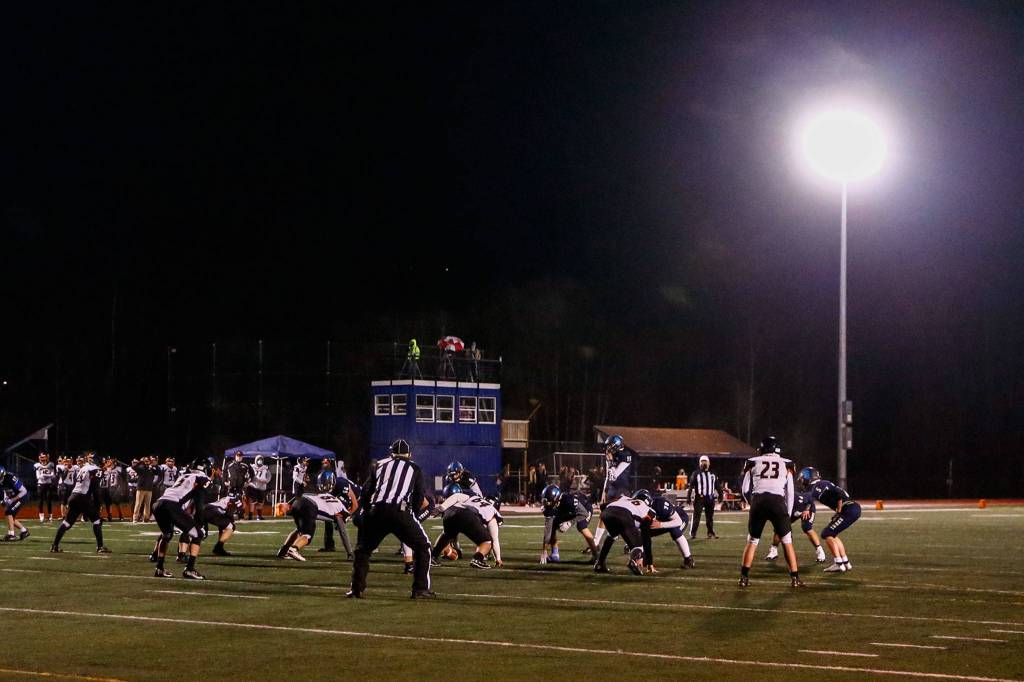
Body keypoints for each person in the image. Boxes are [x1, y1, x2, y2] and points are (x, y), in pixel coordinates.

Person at [347, 439, 433, 599]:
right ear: (409, 454)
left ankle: (356, 589)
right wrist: (412, 515)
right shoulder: (414, 468)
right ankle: (420, 589)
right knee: (423, 547)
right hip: (399, 511)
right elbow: (419, 496)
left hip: (377, 510)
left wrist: (366, 512)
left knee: (362, 551)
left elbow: (365, 492)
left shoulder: (379, 465)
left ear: (391, 454)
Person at [738, 436, 803, 588]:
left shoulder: (752, 462)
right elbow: (790, 493)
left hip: (758, 501)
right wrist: (786, 512)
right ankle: (794, 579)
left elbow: (745, 489)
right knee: (787, 542)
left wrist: (752, 503)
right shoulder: (787, 464)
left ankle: (743, 578)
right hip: (777, 502)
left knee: (752, 541)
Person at [278, 470, 357, 562]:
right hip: (310, 506)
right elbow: (343, 531)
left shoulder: (327, 496)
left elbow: (306, 495)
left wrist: (288, 504)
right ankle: (294, 549)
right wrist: (350, 553)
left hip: (299, 501)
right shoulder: (342, 509)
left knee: (300, 529)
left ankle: (282, 551)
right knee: (307, 535)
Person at [150, 458, 211, 579]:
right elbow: (199, 504)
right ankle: (189, 569)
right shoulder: (201, 478)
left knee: (166, 534)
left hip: (159, 504)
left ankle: (159, 568)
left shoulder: (184, 475)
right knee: (197, 534)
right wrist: (200, 523)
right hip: (172, 505)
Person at [799, 467, 861, 572]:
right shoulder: (823, 483)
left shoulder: (818, 485)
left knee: (826, 533)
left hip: (849, 509)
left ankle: (838, 563)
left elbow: (838, 496)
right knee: (832, 534)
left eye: (803, 477)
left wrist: (806, 510)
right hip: (851, 508)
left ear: (808, 477)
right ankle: (846, 563)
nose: (801, 480)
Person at [430, 491, 503, 569]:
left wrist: (441, 508)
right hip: (467, 515)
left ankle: (432, 557)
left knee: (447, 534)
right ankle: (477, 559)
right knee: (487, 541)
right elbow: (494, 539)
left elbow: (457, 496)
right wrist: (498, 558)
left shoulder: (475, 497)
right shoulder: (493, 512)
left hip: (450, 511)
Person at [51, 460, 110, 553]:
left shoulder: (83, 468)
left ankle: (54, 546)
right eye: (105, 463)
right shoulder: (97, 470)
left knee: (67, 523)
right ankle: (100, 546)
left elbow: (76, 481)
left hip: (73, 496)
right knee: (97, 520)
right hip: (83, 497)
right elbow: (95, 489)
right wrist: (98, 507)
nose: (107, 465)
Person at [593, 493, 658, 575]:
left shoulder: (624, 498)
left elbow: (603, 506)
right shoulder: (650, 511)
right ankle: (634, 561)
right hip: (624, 515)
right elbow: (645, 531)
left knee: (612, 534)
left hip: (606, 513)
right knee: (640, 543)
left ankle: (600, 563)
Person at [592, 434, 635, 550]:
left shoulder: (626, 455)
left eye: (610, 446)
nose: (608, 448)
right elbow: (608, 477)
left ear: (617, 444)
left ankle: (631, 542)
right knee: (604, 515)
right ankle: (595, 543)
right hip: (612, 488)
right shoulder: (612, 455)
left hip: (622, 489)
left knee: (624, 518)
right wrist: (604, 491)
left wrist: (610, 461)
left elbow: (614, 475)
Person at [538, 483, 598, 564]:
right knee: (553, 525)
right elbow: (548, 530)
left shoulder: (569, 500)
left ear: (556, 499)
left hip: (584, 508)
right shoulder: (550, 507)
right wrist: (544, 551)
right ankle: (555, 555)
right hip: (568, 511)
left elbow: (584, 514)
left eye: (548, 501)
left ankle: (596, 556)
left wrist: (570, 522)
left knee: (581, 526)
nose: (546, 504)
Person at [764, 489, 827, 564]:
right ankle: (774, 551)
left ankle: (820, 551)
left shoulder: (795, 497)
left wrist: (807, 509)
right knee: (779, 528)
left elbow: (810, 498)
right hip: (791, 512)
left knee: (807, 528)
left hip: (806, 509)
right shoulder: (776, 502)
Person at [644, 494, 695, 571]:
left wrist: (661, 525)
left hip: (680, 518)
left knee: (674, 531)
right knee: (645, 532)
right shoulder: (640, 508)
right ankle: (643, 557)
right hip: (663, 520)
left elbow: (678, 521)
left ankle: (688, 559)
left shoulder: (660, 504)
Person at [319, 464, 360, 558]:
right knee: (329, 519)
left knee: (358, 520)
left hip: (359, 498)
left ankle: (362, 547)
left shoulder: (341, 484)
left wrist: (347, 516)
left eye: (326, 484)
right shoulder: (330, 486)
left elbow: (355, 504)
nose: (325, 487)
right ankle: (329, 545)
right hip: (342, 498)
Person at [688, 455, 718, 539]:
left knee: (710, 517)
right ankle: (693, 533)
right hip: (699, 498)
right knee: (696, 516)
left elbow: (717, 485)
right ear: (699, 463)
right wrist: (688, 497)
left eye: (705, 461)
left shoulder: (712, 474)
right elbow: (691, 486)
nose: (704, 463)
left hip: (710, 498)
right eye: (702, 461)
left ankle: (710, 532)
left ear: (709, 463)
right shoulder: (696, 473)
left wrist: (721, 495)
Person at [1, 465, 30, 541]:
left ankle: (11, 534)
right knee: (9, 516)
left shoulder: (10, 478)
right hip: (13, 496)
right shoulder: (2, 479)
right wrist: (3, 500)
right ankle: (24, 531)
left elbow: (24, 491)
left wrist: (13, 499)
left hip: (21, 496)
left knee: (9, 512)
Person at [132, 456, 159, 522]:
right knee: (138, 504)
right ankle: (135, 518)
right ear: (143, 462)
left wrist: (155, 465)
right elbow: (134, 467)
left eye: (148, 461)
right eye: (145, 461)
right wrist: (139, 462)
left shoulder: (151, 468)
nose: (147, 462)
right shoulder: (141, 468)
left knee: (147, 505)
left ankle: (146, 518)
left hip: (149, 489)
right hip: (141, 489)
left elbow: (158, 472)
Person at [245, 456, 272, 520]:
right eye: (258, 459)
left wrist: (266, 481)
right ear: (255, 460)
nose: (260, 461)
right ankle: (250, 515)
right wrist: (249, 480)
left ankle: (259, 516)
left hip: (262, 487)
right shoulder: (252, 467)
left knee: (260, 502)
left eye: (261, 459)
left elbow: (269, 476)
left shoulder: (265, 468)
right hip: (253, 486)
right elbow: (248, 475)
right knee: (252, 502)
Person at [100, 457, 125, 522]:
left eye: (110, 462)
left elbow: (123, 474)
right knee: (108, 503)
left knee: (117, 503)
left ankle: (121, 515)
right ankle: (109, 516)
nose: (109, 463)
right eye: (108, 461)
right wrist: (106, 466)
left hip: (115, 487)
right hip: (107, 488)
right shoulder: (106, 469)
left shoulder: (118, 468)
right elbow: (101, 470)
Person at [34, 453, 56, 522]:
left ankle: (50, 516)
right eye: (41, 457)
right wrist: (44, 475)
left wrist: (47, 476)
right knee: (40, 501)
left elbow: (53, 475)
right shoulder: (37, 465)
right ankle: (41, 515)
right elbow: (37, 477)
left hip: (48, 484)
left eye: (44, 457)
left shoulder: (51, 464)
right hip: (41, 484)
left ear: (47, 457)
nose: (43, 459)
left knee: (49, 501)